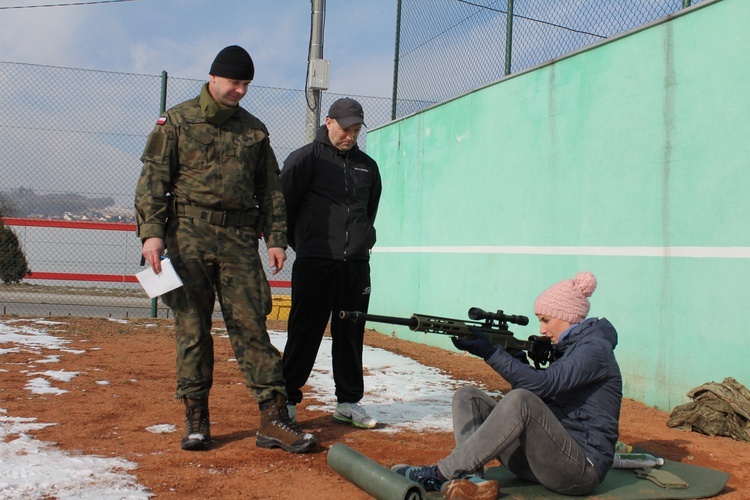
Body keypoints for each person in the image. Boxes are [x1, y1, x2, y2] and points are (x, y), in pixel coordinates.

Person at [134, 45, 317, 454]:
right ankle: (196, 418)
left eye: (246, 84)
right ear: (213, 78)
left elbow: (270, 190)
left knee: (252, 326)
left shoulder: (254, 130)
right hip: (188, 236)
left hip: (237, 240)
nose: (240, 91)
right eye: (235, 82)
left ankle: (273, 417)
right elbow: (153, 180)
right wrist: (152, 233)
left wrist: (275, 239)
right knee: (193, 329)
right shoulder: (176, 122)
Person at [394, 271, 622, 498]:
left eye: (546, 320)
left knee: (521, 399)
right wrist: (518, 363)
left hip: (579, 471)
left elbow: (543, 386)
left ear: (568, 316)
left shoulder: (594, 350)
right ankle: (471, 480)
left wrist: (491, 353)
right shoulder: (568, 348)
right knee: (467, 396)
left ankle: (441, 473)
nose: (542, 329)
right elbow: (548, 401)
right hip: (542, 461)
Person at [280, 98, 383, 428]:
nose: (349, 137)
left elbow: (369, 211)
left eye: (355, 131)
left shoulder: (368, 167)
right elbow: (285, 206)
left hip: (355, 265)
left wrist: (360, 243)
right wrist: (304, 244)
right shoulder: (305, 159)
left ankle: (348, 402)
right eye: (344, 129)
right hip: (315, 262)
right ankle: (287, 399)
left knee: (351, 333)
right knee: (305, 331)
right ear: (328, 122)